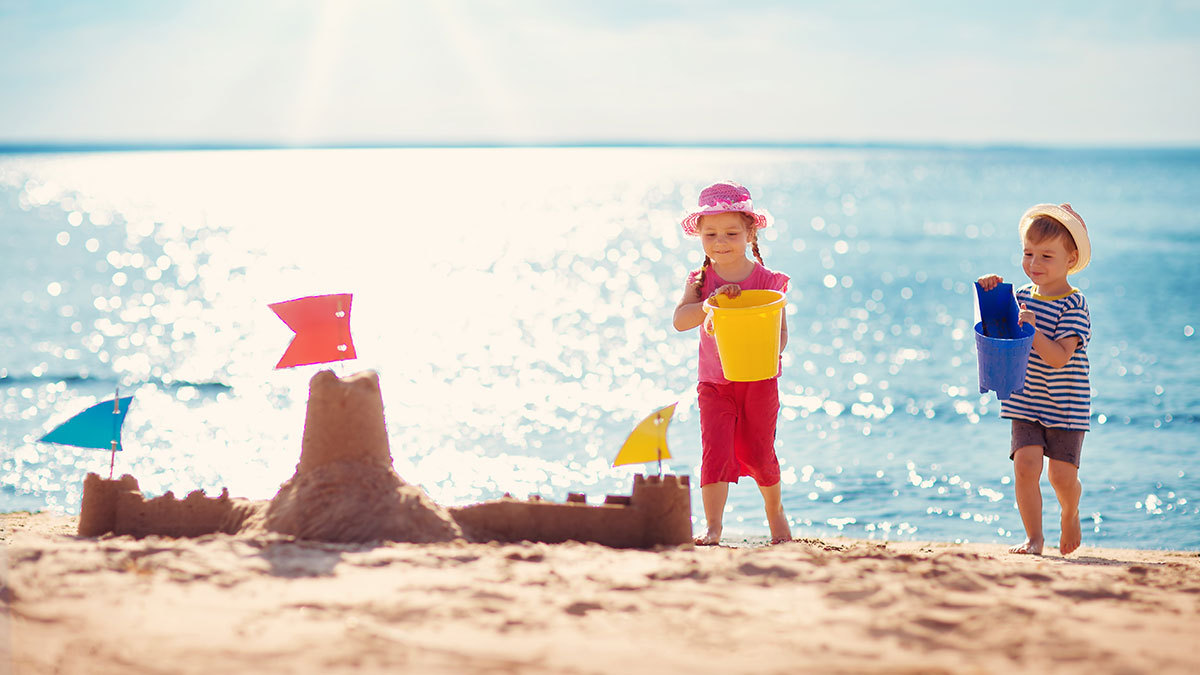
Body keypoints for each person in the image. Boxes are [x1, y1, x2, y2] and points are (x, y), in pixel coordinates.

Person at [672, 181, 792, 546]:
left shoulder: (767, 280)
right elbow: (680, 320)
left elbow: (781, 335)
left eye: (731, 233)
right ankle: (713, 527)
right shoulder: (701, 280)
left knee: (758, 452)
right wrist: (710, 303)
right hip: (714, 382)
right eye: (710, 234)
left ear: (750, 232)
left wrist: (766, 354)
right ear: (699, 237)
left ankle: (775, 515)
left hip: (758, 380)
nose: (720, 241)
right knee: (717, 450)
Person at [977, 203, 1092, 556]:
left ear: (1070, 259)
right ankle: (1034, 538)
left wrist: (1034, 329)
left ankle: (1070, 511)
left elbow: (1059, 358)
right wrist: (991, 291)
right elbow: (1000, 328)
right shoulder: (1021, 298)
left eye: (1046, 256)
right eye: (1028, 254)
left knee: (1060, 477)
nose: (1034, 264)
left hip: (1065, 403)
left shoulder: (1074, 305)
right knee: (1026, 467)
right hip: (1025, 400)